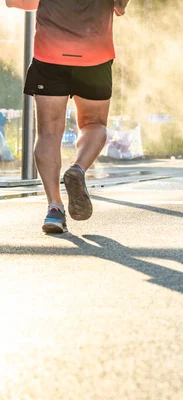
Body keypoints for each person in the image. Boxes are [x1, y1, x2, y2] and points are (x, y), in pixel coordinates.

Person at [6, 0, 131, 233]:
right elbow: (120, 6)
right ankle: (78, 169)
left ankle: (54, 209)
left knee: (48, 133)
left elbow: (14, 2)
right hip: (95, 56)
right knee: (94, 125)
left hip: (50, 55)